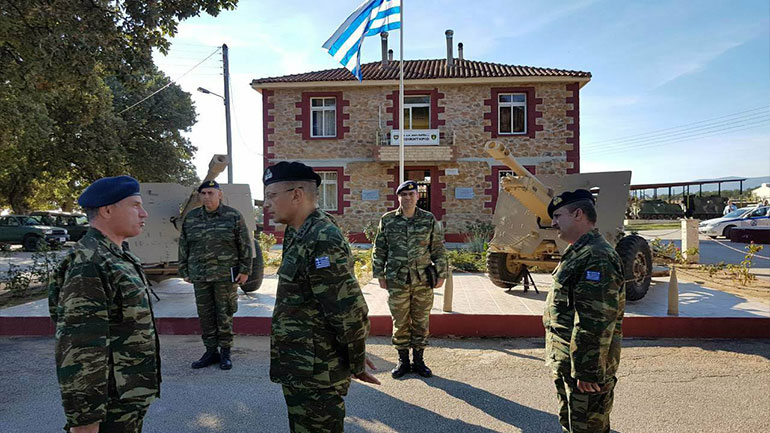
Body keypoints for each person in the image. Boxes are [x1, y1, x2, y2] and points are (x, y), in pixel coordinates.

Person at [263, 161, 379, 433]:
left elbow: (347, 307)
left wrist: (356, 359)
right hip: (299, 364)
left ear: (296, 195)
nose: (267, 204)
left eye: (272, 195)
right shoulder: (297, 229)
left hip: (317, 371)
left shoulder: (322, 237)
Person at [48, 176, 161, 433]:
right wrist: (85, 421)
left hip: (127, 396)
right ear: (107, 210)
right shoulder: (90, 262)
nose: (143, 214)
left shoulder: (117, 255)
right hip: (108, 405)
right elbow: (80, 346)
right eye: (135, 205)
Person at [543, 189, 625, 433]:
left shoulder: (597, 256)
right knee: (573, 424)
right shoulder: (579, 251)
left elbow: (595, 319)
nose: (553, 222)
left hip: (585, 369)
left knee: (588, 428)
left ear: (578, 214)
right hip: (570, 362)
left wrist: (588, 372)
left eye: (558, 215)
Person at [372, 180, 448, 379]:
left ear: (417, 196)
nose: (407, 198)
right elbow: (379, 249)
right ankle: (403, 360)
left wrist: (442, 274)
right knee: (400, 321)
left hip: (423, 280)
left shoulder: (428, 219)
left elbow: (438, 248)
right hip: (397, 280)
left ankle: (419, 360)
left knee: (421, 321)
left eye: (411, 194)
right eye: (403, 195)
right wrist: (379, 274)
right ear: (398, 197)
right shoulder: (388, 220)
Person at [178, 180, 253, 370]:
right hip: (200, 275)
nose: (206, 197)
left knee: (225, 313)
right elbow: (184, 245)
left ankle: (225, 352)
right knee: (205, 314)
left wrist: (245, 270)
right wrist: (184, 270)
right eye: (203, 193)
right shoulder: (192, 218)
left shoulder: (232, 216)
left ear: (220, 194)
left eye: (211, 193)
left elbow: (244, 244)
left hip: (225, 275)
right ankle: (210, 351)